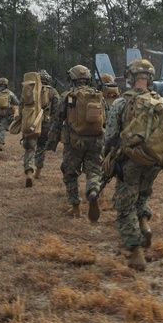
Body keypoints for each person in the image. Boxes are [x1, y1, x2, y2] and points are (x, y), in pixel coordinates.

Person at [102, 58, 163, 271]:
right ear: (150, 79)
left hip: (129, 162)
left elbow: (110, 138)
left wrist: (108, 158)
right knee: (143, 194)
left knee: (125, 205)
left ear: (131, 77)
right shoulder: (161, 102)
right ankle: (144, 222)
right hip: (154, 161)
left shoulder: (121, 103)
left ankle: (136, 252)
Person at [48, 65, 105, 220]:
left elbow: (57, 121)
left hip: (73, 142)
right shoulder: (98, 96)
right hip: (95, 141)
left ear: (71, 78)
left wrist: (52, 143)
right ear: (88, 79)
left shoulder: (68, 97)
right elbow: (105, 119)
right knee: (94, 171)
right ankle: (93, 191)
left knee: (70, 173)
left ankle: (76, 207)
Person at [21, 70, 59, 186]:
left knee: (30, 148)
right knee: (41, 146)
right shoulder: (53, 92)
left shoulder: (30, 90)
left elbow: (21, 104)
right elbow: (56, 111)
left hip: (31, 121)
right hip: (46, 124)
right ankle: (38, 171)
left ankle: (29, 171)